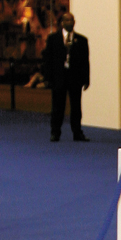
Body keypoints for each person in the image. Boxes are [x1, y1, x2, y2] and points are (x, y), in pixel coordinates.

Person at [42, 11, 90, 142]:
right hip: (59, 77)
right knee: (57, 106)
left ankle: (77, 132)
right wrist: (47, 78)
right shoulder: (53, 39)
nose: (70, 22)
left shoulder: (82, 40)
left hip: (75, 78)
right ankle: (55, 132)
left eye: (72, 20)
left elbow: (85, 62)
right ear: (62, 23)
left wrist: (86, 79)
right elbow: (48, 60)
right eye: (67, 20)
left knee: (76, 107)